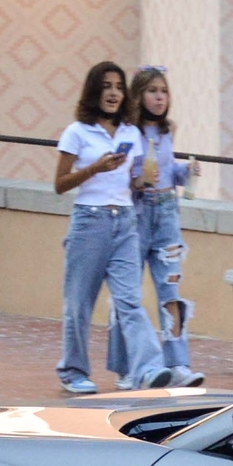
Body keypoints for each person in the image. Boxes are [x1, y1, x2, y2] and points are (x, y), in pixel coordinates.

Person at [53, 61, 165, 394]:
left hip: (126, 220)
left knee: (129, 301)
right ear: (93, 92)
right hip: (90, 220)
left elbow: (131, 182)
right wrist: (96, 168)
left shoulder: (131, 133)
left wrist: (141, 181)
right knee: (79, 303)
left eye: (118, 86)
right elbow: (59, 184)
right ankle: (74, 372)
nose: (114, 93)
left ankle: (148, 368)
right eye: (106, 86)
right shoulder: (77, 132)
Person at [107, 65, 205, 388]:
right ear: (138, 95)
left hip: (166, 214)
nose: (159, 97)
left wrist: (184, 172)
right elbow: (119, 177)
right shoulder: (127, 133)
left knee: (171, 292)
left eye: (163, 91)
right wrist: (137, 182)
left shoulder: (166, 131)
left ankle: (178, 364)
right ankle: (127, 368)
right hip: (135, 216)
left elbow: (167, 169)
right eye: (152, 91)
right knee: (127, 294)